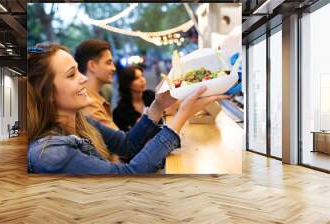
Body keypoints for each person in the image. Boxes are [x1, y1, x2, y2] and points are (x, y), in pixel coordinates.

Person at [27, 43, 229, 174]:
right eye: (72, 75)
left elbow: (126, 144)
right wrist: (182, 115)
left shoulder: (81, 121)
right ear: (48, 94)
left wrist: (159, 105)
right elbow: (127, 176)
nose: (84, 78)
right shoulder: (49, 152)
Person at [74, 39, 118, 130]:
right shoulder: (88, 103)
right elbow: (123, 143)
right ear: (92, 66)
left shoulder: (92, 98)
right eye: (108, 63)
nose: (113, 68)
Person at [113, 65, 155, 132]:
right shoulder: (119, 112)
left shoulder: (152, 96)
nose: (142, 80)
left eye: (142, 76)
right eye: (136, 78)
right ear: (127, 83)